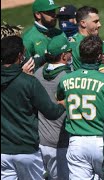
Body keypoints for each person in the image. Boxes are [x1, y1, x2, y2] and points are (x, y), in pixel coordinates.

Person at [56, 35, 104, 179]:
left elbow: (60, 98)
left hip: (76, 143)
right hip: (103, 142)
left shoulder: (65, 79)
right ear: (100, 56)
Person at [1, 35, 65, 180]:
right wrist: (63, 104)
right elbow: (52, 112)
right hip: (27, 150)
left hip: (2, 152)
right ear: (20, 55)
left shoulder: (25, 80)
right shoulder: (29, 82)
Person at [33, 34, 72, 180]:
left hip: (40, 141)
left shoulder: (37, 73)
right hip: (61, 143)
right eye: (69, 52)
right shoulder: (68, 77)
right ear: (63, 56)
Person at [23, 0, 63, 70]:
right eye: (50, 12)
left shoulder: (59, 33)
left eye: (54, 11)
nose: (54, 15)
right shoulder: (28, 39)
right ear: (38, 15)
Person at [69, 6, 104, 71]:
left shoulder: (70, 43)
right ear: (83, 23)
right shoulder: (94, 44)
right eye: (95, 21)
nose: (99, 25)